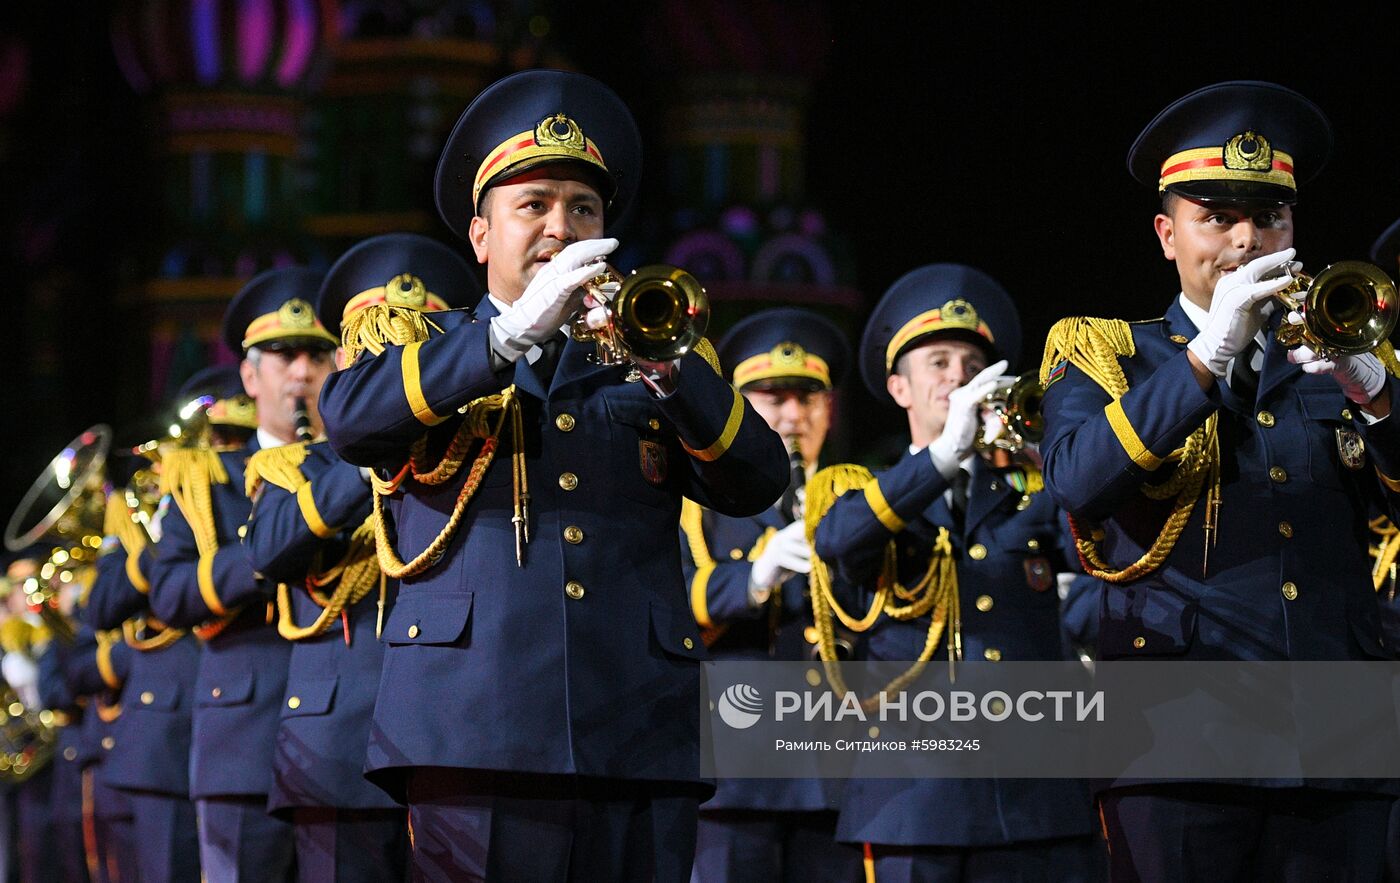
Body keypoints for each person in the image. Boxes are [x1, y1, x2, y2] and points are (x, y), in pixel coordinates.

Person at [317, 69, 788, 881]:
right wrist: (503, 341)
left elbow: (755, 479)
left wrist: (672, 375)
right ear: (480, 234)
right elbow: (352, 420)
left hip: (639, 728)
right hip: (475, 727)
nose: (559, 228)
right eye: (532, 206)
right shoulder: (430, 346)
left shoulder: (649, 357)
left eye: (583, 208)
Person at [1039, 80, 1400, 881]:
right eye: (1218, 218)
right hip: (1178, 746)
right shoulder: (1110, 353)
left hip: (1342, 740)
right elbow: (1073, 483)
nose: (1246, 240)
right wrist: (1208, 359)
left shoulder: (1334, 359)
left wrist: (1379, 397)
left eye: (1269, 217)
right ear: (1168, 234)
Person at [811, 264, 1102, 881]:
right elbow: (838, 543)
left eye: (972, 364)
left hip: (1037, 796)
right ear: (899, 389)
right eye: (938, 363)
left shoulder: (1032, 493)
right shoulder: (865, 492)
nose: (958, 378)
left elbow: (1107, 568)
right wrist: (942, 460)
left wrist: (1052, 462)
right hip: (916, 799)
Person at [243, 233, 481, 882]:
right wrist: (373, 444)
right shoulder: (298, 468)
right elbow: (269, 550)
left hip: (460, 735)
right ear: (350, 361)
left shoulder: (480, 448)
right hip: (342, 747)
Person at [148, 269, 337, 881]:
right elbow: (171, 594)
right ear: (250, 376)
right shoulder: (204, 479)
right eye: (283, 356)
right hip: (245, 743)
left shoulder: (363, 469)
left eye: (316, 354)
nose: (302, 373)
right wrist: (269, 552)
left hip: (350, 747)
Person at [683, 307, 865, 882]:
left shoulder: (859, 500)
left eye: (806, 399)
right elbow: (673, 598)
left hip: (840, 772)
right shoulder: (699, 500)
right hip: (737, 770)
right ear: (737, 406)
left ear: (828, 409)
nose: (791, 415)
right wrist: (755, 576)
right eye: (771, 397)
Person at [85, 365, 254, 883]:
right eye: (218, 438)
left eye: (237, 439)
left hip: (251, 720)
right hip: (169, 733)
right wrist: (167, 541)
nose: (223, 452)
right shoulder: (152, 512)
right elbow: (103, 607)